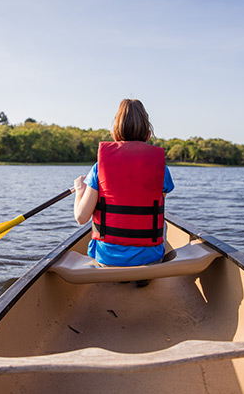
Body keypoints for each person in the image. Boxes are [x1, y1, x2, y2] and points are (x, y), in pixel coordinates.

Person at [73, 99, 174, 268]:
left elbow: (81, 217)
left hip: (107, 260)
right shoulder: (161, 169)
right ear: (148, 134)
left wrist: (79, 189)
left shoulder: (99, 168)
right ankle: (144, 273)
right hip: (151, 259)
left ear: (114, 134)